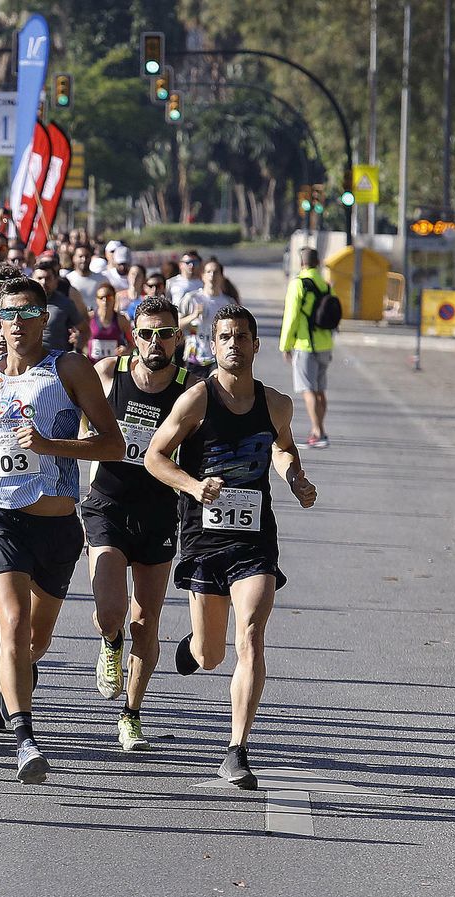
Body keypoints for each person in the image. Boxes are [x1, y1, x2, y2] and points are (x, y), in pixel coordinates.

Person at [0, 276, 124, 783]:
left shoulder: (68, 368)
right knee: (10, 622)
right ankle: (25, 737)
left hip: (55, 526)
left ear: (44, 318)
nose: (20, 324)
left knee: (35, 638)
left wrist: (52, 446)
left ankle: (19, 680)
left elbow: (112, 445)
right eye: (11, 315)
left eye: (31, 315)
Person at [145, 305, 317, 788]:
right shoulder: (197, 400)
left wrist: (295, 477)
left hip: (255, 540)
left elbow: (282, 447)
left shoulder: (277, 404)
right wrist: (194, 486)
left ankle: (236, 749)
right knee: (212, 654)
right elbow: (156, 457)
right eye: (225, 337)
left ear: (256, 345)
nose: (234, 344)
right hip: (204, 539)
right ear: (213, 345)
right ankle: (194, 648)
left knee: (251, 637)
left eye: (242, 336)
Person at [81, 296, 197, 751]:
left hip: (159, 512)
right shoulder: (109, 373)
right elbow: (72, 420)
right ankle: (110, 642)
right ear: (134, 335)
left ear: (178, 337)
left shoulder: (192, 389)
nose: (155, 342)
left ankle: (131, 714)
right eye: (147, 333)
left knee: (147, 621)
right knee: (111, 609)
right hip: (107, 502)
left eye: (165, 333)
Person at [279, 247, 335, 448]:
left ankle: (318, 432)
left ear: (301, 263)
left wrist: (285, 344)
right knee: (320, 390)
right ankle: (319, 430)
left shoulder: (298, 284)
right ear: (318, 262)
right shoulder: (325, 285)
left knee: (308, 389)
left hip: (305, 344)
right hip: (325, 344)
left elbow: (291, 316)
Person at [179, 258, 237, 375]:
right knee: (193, 391)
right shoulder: (191, 299)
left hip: (217, 358)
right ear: (202, 275)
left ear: (221, 276)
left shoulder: (229, 303)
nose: (212, 276)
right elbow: (177, 325)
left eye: (216, 272)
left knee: (215, 388)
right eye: (208, 272)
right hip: (193, 357)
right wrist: (193, 316)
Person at [32, 258, 86, 353]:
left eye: (48, 278)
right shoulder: (25, 302)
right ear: (32, 280)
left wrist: (77, 350)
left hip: (56, 360)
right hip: (29, 360)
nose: (43, 282)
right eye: (39, 278)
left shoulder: (65, 303)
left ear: (56, 281)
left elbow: (84, 330)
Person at [85, 282, 132, 360]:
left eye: (108, 297)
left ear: (114, 298)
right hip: (92, 366)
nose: (105, 301)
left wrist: (126, 350)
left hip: (113, 366)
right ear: (97, 300)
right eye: (101, 297)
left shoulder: (121, 320)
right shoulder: (90, 318)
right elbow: (81, 340)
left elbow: (132, 344)